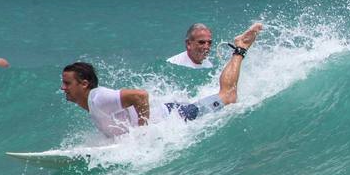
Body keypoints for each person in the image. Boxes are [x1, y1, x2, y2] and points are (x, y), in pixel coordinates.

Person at [61, 23, 262, 139]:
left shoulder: (98, 98)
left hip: (177, 115)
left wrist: (143, 133)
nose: (63, 88)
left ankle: (240, 48)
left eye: (68, 83)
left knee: (228, 95)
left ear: (84, 84)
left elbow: (140, 96)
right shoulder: (91, 103)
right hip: (168, 111)